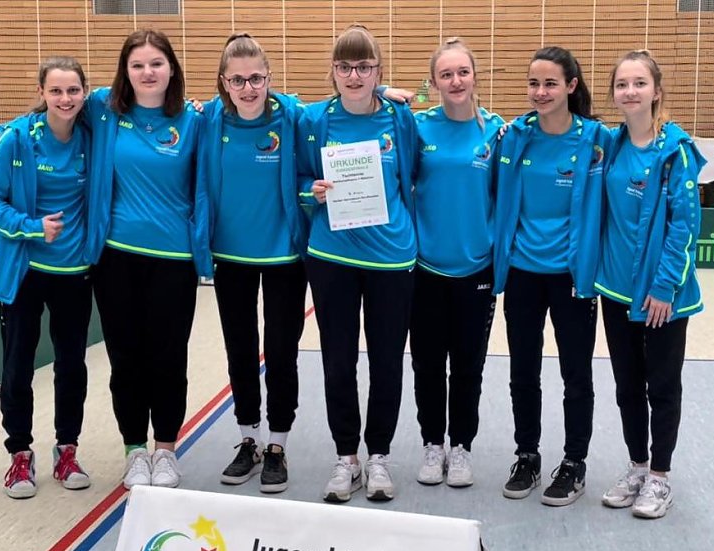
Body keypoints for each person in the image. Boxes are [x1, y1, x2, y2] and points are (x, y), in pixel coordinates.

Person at [82, 29, 210, 490]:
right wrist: (0, 131)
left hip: (174, 260)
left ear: (171, 68)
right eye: (137, 65)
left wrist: (377, 90)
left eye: (156, 63)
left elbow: (266, 98)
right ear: (126, 72)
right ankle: (135, 449)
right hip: (116, 258)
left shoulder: (195, 119)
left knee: (168, 357)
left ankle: (166, 450)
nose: (147, 72)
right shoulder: (105, 110)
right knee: (126, 359)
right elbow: (51, 105)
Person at [296, 24, 418, 503]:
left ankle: (380, 456)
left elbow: (418, 170)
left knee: (387, 361)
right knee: (338, 361)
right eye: (344, 66)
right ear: (332, 71)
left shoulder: (400, 119)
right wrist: (314, 192)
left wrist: (387, 93)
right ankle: (347, 456)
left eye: (364, 67)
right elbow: (301, 176)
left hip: (391, 257)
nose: (354, 75)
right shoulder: (313, 119)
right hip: (333, 257)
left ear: (378, 72)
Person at [494, 46, 609, 506]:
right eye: (533, 83)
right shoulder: (514, 136)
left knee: (575, 374)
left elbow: (646, 138)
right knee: (523, 371)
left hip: (572, 277)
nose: (540, 93)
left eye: (550, 84)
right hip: (522, 274)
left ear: (571, 87)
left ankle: (574, 462)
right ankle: (527, 456)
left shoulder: (597, 139)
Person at [0, 56, 93, 499]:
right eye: (56, 91)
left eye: (73, 91)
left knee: (70, 364)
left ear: (85, 93)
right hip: (25, 270)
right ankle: (19, 455)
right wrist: (30, 227)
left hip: (75, 272)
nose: (65, 99)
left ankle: (68, 448)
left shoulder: (91, 135)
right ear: (42, 93)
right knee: (18, 365)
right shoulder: (17, 139)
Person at [596, 50, 705, 519]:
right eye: (622, 84)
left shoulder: (675, 152)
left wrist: (664, 287)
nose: (630, 92)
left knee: (662, 386)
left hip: (663, 297)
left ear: (656, 91)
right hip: (616, 290)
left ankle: (660, 477)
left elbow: (685, 226)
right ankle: (637, 465)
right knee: (626, 386)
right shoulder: (611, 144)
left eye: (640, 83)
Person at [204, 33, 308, 494]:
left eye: (257, 78)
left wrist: (383, 92)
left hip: (285, 255)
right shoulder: (207, 119)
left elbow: (341, 114)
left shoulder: (292, 116)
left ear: (269, 77)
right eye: (239, 80)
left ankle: (278, 445)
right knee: (240, 351)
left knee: (282, 353)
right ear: (224, 82)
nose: (249, 88)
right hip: (231, 256)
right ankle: (248, 438)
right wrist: (3, 131)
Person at [409, 38, 502, 488]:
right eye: (445, 74)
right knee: (427, 364)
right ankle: (432, 444)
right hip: (425, 269)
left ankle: (461, 445)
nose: (455, 81)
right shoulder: (417, 128)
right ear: (434, 82)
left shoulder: (497, 131)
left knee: (468, 367)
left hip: (476, 271)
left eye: (462, 71)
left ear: (475, 75)